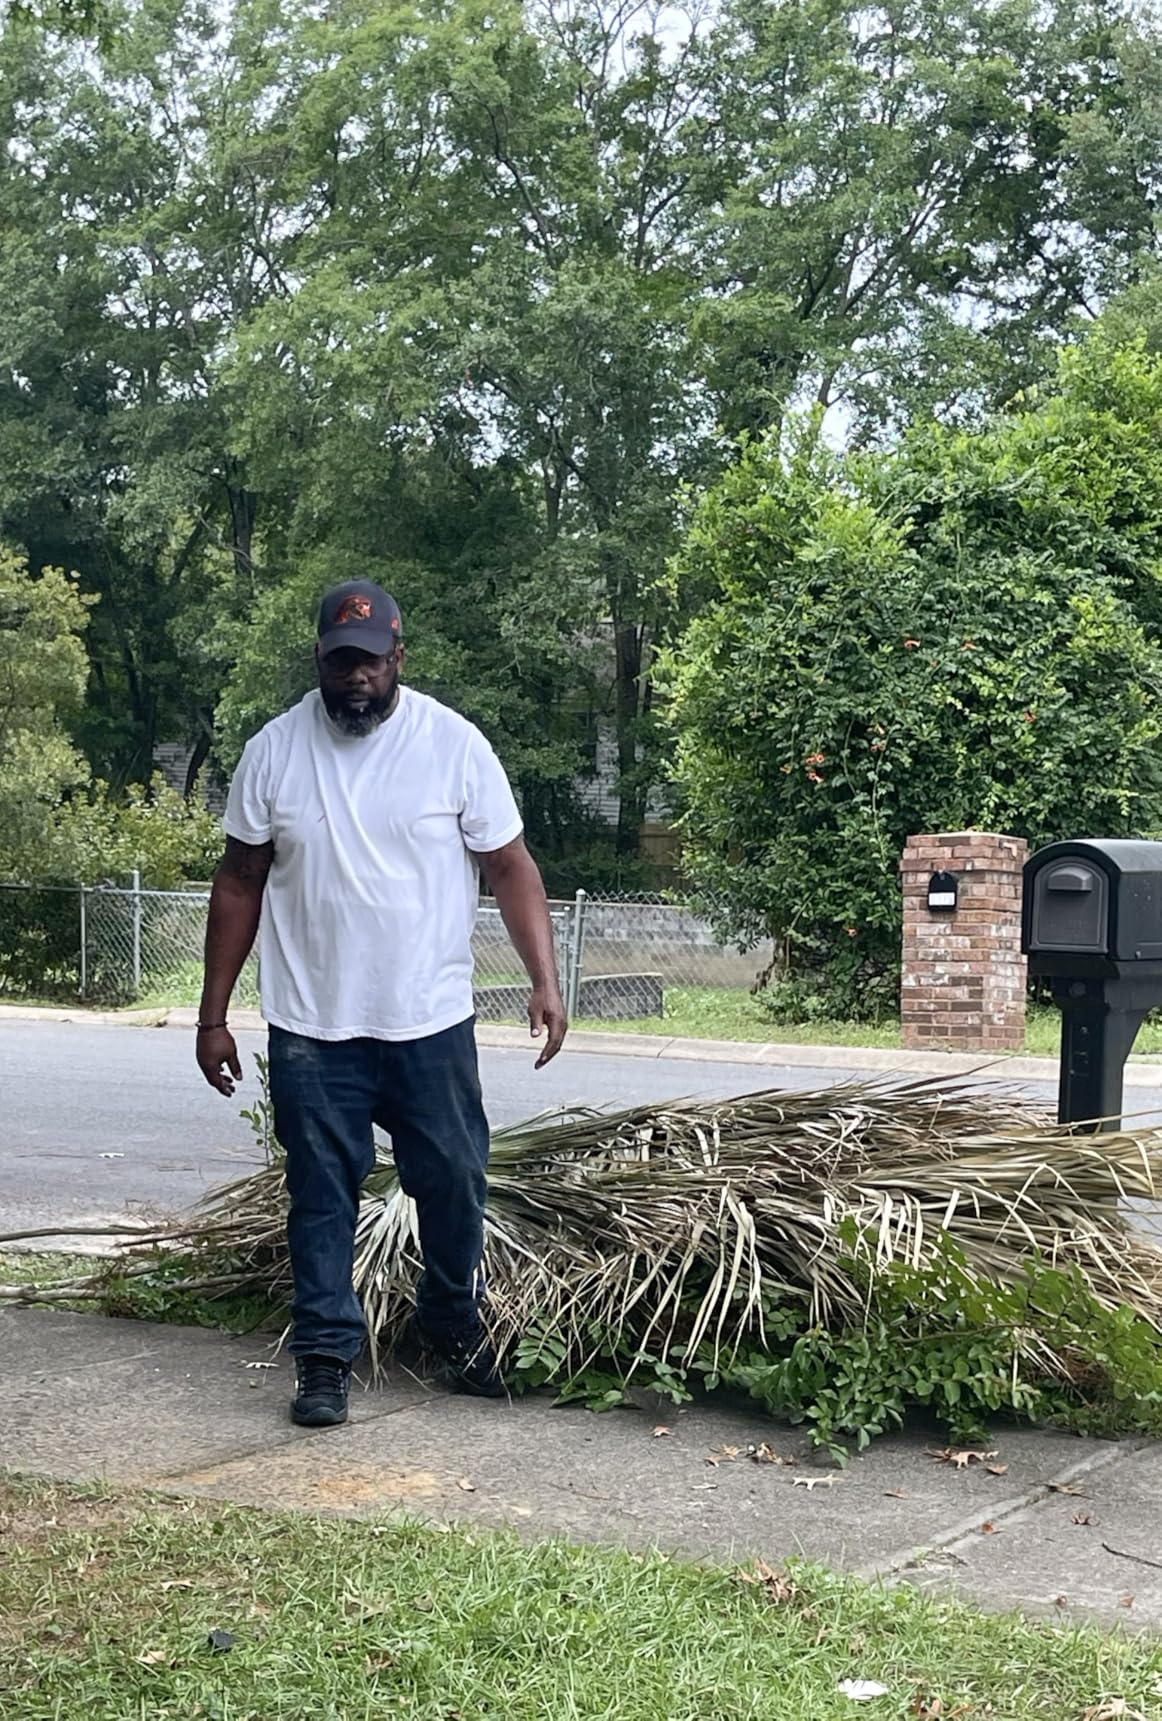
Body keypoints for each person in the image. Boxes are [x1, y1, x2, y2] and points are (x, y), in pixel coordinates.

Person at [195, 579, 568, 1428]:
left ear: (398, 657)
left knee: (455, 1178)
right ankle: (325, 1357)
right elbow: (239, 881)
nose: (355, 676)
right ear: (318, 660)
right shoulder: (274, 751)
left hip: (428, 1020)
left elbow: (510, 865)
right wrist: (213, 1016)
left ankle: (452, 1323)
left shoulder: (453, 745)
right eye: (340, 662)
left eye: (369, 661)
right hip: (311, 1026)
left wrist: (545, 979)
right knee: (321, 1194)